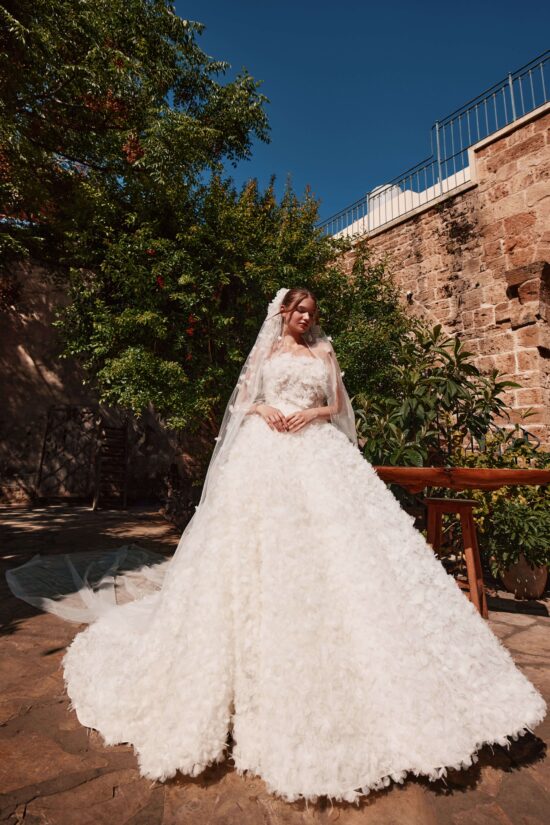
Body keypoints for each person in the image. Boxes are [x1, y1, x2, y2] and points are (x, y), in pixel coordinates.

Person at [6, 287, 547, 805]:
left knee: (347, 556)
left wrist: (311, 414)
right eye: (300, 311)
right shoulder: (265, 350)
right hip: (265, 456)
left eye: (312, 312)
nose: (307, 318)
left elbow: (336, 402)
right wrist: (265, 411)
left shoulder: (325, 350)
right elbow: (244, 399)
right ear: (284, 313)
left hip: (317, 452)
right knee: (256, 555)